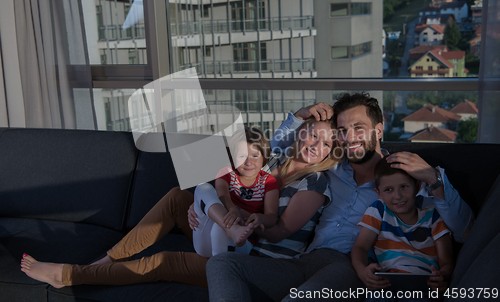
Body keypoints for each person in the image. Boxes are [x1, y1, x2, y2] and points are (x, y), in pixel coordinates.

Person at [206, 92, 474, 302]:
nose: (350, 138)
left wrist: (434, 179)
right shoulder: (330, 168)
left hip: (350, 268)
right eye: (343, 131)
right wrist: (299, 117)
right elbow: (273, 154)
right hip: (303, 260)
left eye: (359, 127)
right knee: (222, 265)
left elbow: (464, 231)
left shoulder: (402, 180)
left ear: (378, 130)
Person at [20, 118, 339, 290]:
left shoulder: (315, 183)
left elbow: (280, 231)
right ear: (300, 133)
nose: (316, 145)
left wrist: (231, 216)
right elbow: (225, 186)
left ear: (330, 154)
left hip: (252, 261)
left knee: (165, 262)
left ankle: (71, 275)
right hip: (226, 235)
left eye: (326, 143)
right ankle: (103, 262)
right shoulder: (271, 162)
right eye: (313, 134)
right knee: (179, 197)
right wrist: (206, 210)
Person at [351, 157, 454, 301]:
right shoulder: (378, 210)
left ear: (417, 187)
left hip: (422, 288)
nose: (398, 196)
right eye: (389, 190)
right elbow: (360, 247)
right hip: (386, 285)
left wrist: (442, 276)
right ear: (379, 193)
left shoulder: (433, 216)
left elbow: (447, 263)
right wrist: (363, 271)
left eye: (404, 187)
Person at [192, 126, 280, 258]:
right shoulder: (226, 172)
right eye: (242, 156)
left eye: (255, 156)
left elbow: (272, 218)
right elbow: (222, 195)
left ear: (264, 157)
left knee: (221, 227)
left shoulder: (269, 181)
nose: (248, 162)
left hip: (241, 244)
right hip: (204, 240)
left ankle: (220, 265)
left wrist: (260, 218)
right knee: (203, 187)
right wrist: (233, 210)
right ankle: (232, 230)